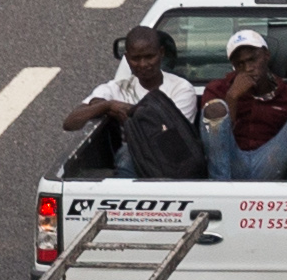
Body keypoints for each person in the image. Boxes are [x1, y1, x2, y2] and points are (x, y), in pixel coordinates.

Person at [59, 28, 207, 181]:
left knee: (129, 153)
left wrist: (131, 113)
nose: (143, 64)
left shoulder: (180, 88)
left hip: (172, 162)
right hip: (133, 163)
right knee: (129, 154)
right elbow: (70, 123)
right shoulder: (118, 88)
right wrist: (107, 106)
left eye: (149, 57)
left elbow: (169, 137)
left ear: (161, 53)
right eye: (136, 58)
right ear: (127, 58)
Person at [200, 28, 287, 182]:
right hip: (231, 162)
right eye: (240, 64)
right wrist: (232, 97)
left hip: (271, 161)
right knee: (215, 108)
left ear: (266, 55)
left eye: (253, 59)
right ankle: (220, 188)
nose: (248, 68)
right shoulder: (217, 89)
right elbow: (217, 142)